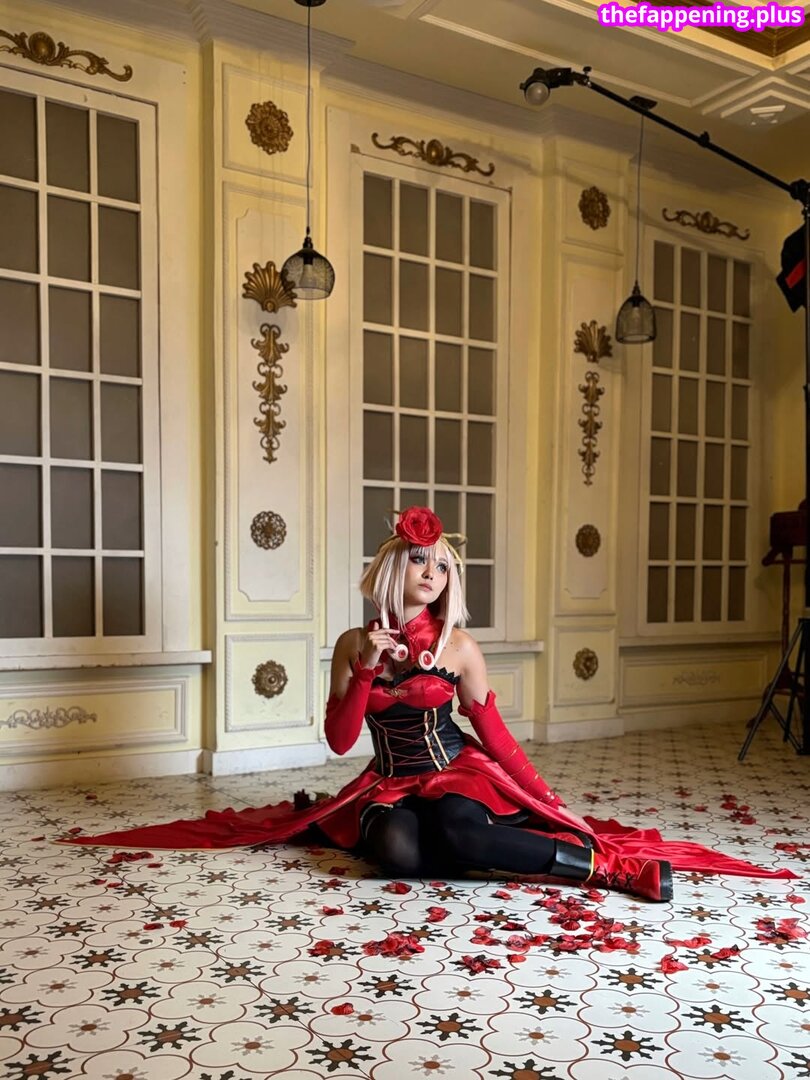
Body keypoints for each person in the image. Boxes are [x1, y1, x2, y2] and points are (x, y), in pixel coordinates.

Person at [65, 507, 795, 900]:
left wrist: (547, 799)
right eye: (420, 560)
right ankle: (464, 844)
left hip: (458, 774)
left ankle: (599, 867)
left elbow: (496, 737)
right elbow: (339, 740)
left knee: (457, 826)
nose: (432, 573)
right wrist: (364, 669)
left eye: (442, 566)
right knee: (396, 854)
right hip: (388, 781)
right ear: (393, 566)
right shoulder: (354, 641)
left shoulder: (461, 647)